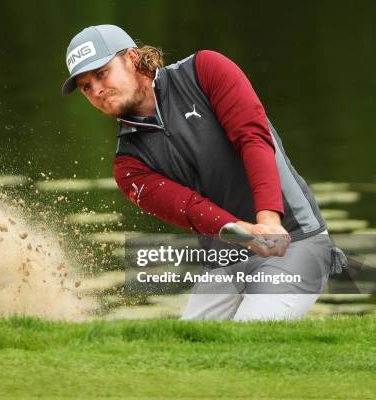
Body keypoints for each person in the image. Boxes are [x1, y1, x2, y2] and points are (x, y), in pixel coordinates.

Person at [61, 24, 345, 320]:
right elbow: (190, 209)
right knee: (188, 351)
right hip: (226, 260)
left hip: (296, 240)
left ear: (132, 57)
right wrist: (247, 234)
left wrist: (269, 221)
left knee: (248, 341)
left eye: (101, 73)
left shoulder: (204, 70)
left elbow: (253, 139)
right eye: (85, 86)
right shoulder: (128, 166)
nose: (96, 90)